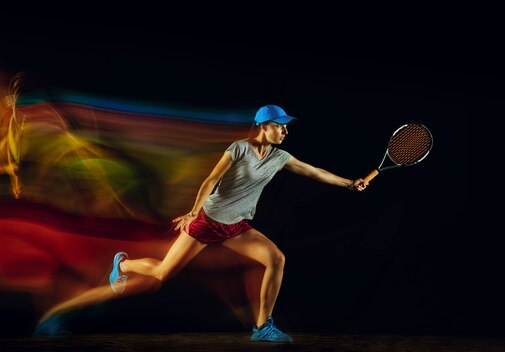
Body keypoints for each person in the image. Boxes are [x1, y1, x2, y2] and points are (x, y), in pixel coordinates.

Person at [35, 104, 368, 342]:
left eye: (285, 125)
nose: (285, 129)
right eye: (279, 125)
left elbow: (313, 171)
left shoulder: (282, 158)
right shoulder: (239, 148)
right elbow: (210, 180)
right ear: (262, 126)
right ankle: (123, 265)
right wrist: (195, 211)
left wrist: (348, 183)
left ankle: (262, 327)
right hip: (209, 220)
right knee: (163, 274)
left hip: (237, 225)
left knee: (276, 259)